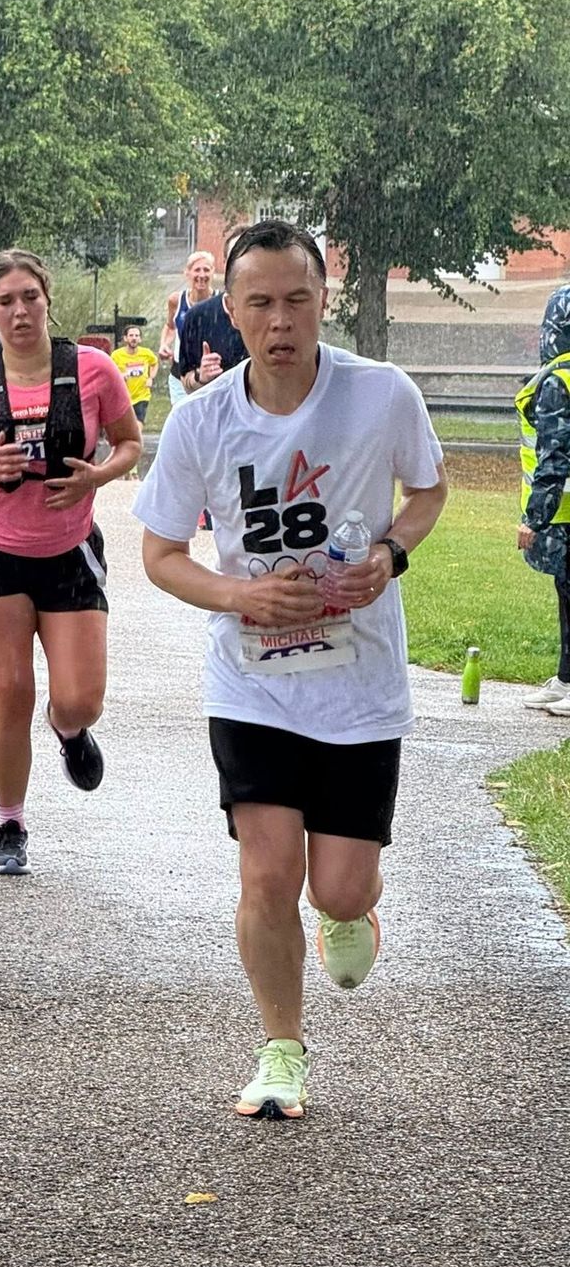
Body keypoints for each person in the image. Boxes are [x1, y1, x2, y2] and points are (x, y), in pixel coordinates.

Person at [134, 217, 447, 1120]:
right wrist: (242, 598)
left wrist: (390, 552)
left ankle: (351, 909)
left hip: (360, 685)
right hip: (253, 681)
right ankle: (281, 1050)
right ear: (228, 311)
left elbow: (427, 493)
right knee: (266, 877)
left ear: (324, 302)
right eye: (261, 303)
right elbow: (160, 553)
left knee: (335, 885)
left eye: (298, 301)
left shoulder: (381, 395)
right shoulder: (201, 421)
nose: (281, 321)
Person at [0, 249, 142, 876]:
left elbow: (129, 441)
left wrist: (98, 477)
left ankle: (71, 730)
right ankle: (9, 823)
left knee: (80, 700)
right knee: (10, 694)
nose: (20, 310)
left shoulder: (92, 368)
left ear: (48, 300)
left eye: (30, 296)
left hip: (68, 552)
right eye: (6, 301)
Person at [517, 284, 570, 716]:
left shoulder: (560, 381)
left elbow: (553, 457)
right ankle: (566, 677)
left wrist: (534, 519)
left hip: (563, 514)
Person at [160, 250, 217, 406]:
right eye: (197, 270)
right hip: (181, 374)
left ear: (213, 272)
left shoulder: (221, 301)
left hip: (212, 374)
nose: (202, 275)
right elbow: (171, 327)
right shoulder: (176, 300)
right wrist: (164, 344)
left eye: (206, 269)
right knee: (184, 423)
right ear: (187, 273)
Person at [172, 280, 248, 396]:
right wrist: (201, 377)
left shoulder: (279, 315)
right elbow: (186, 382)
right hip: (219, 406)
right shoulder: (197, 317)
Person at [111, 325, 160, 423]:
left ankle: (136, 438)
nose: (134, 338)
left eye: (137, 336)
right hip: (123, 396)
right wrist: (120, 376)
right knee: (125, 427)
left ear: (140, 339)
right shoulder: (116, 355)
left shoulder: (147, 353)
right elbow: (109, 372)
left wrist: (150, 378)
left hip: (142, 395)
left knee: (138, 424)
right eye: (131, 335)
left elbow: (154, 364)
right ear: (125, 338)